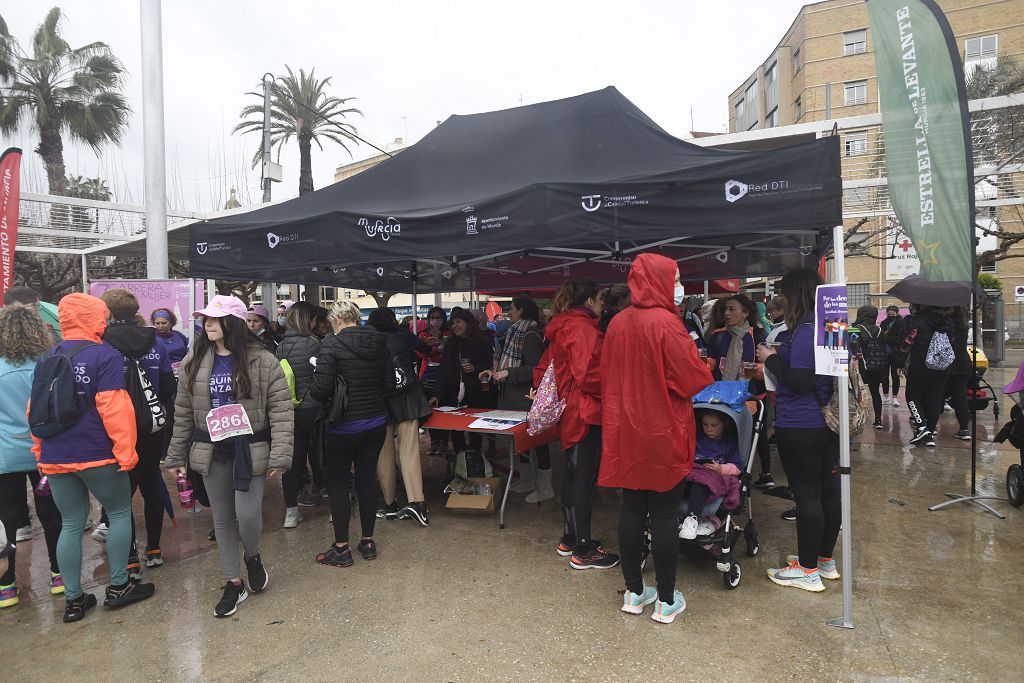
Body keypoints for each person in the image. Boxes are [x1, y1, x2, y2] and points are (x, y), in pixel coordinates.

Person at [599, 254, 713, 622]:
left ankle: (634, 593)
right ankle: (665, 599)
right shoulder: (668, 324)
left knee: (631, 510)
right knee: (664, 514)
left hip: (625, 431)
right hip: (663, 431)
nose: (679, 285)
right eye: (676, 278)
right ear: (660, 280)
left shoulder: (617, 323)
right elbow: (693, 378)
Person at [166, 295, 293, 618]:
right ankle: (232, 582)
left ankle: (252, 555)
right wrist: (176, 456)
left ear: (232, 323)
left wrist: (280, 455)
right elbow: (182, 411)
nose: (207, 324)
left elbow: (281, 409)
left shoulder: (263, 360)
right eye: (205, 319)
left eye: (214, 319)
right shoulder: (195, 358)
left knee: (248, 514)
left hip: (250, 449)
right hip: (211, 449)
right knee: (222, 518)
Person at [30, 293, 155, 622]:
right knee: (118, 514)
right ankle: (119, 587)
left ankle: (74, 600)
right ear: (97, 318)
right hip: (97, 454)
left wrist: (40, 449)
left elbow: (36, 410)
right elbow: (115, 409)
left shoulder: (47, 356)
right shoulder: (105, 355)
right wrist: (126, 452)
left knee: (71, 524)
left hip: (56, 456)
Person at [756, 268, 840, 593]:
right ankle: (822, 559)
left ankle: (807, 570)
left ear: (796, 294)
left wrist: (771, 358)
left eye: (784, 293)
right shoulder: (829, 324)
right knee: (826, 492)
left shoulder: (805, 330)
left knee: (808, 495)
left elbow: (800, 381)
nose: (780, 298)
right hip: (825, 421)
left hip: (802, 422)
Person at [542, 278, 619, 571]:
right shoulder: (583, 328)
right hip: (584, 411)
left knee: (574, 476)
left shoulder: (565, 325)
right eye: (600, 299)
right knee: (582, 479)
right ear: (589, 301)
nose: (602, 305)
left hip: (572, 409)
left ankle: (571, 537)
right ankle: (584, 549)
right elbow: (589, 374)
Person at [309, 301, 391, 567]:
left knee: (339, 484)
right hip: (376, 421)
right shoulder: (380, 342)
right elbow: (390, 384)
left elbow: (320, 389)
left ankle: (341, 548)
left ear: (336, 320)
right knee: (367, 479)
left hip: (344, 425)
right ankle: (368, 541)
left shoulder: (331, 344)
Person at [99, 289, 177, 572]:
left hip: (116, 429)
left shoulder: (101, 343)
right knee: (151, 484)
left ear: (107, 312)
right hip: (151, 427)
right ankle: (154, 549)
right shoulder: (154, 341)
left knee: (122, 493)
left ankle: (129, 556)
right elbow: (170, 385)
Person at [0, 304, 64, 607]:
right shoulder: (46, 364)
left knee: (6, 519)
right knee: (53, 514)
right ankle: (59, 572)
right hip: (45, 450)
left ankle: (6, 585)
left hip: (5, 455)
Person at [481, 296, 550, 502]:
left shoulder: (528, 335)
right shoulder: (515, 332)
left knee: (538, 442)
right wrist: (495, 372)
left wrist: (508, 373)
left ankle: (545, 487)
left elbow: (536, 369)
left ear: (521, 311)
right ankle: (527, 480)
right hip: (514, 399)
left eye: (511, 308)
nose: (508, 312)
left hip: (526, 398)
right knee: (522, 441)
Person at [367, 307, 432, 525]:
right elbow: (421, 352)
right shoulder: (404, 338)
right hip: (407, 399)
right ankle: (417, 503)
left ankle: (390, 505)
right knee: (409, 451)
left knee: (383, 453)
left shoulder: (370, 342)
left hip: (381, 401)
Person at [276, 302, 326, 527]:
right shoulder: (315, 344)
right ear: (309, 320)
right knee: (323, 455)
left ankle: (291, 513)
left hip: (291, 409)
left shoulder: (281, 346)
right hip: (315, 409)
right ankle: (332, 502)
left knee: (294, 461)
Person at [429, 308, 494, 464]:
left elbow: (490, 364)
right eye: (453, 323)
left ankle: (474, 460)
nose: (455, 325)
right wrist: (436, 394)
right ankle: (461, 460)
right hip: (456, 391)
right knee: (456, 428)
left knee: (475, 429)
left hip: (478, 390)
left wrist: (476, 367)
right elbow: (445, 369)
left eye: (459, 322)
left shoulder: (483, 340)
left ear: (468, 322)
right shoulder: (452, 343)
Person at [679, 410, 743, 539]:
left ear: (724, 425)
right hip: (692, 476)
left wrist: (720, 469)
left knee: (701, 482)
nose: (709, 429)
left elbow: (737, 467)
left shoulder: (728, 444)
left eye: (714, 426)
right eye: (705, 425)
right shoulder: (698, 440)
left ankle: (692, 518)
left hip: (709, 481)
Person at [898, 305, 954, 447]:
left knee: (912, 396)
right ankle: (929, 432)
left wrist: (900, 362)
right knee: (934, 398)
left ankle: (922, 427)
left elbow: (906, 344)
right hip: (942, 367)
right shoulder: (948, 323)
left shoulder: (917, 322)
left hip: (920, 366)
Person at [755, 295, 788, 491]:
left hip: (780, 390)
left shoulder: (788, 332)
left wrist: (768, 359)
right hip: (776, 388)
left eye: (774, 311)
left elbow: (787, 369)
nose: (771, 314)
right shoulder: (780, 329)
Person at [706, 294, 765, 381]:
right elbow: (711, 365)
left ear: (745, 313)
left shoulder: (756, 338)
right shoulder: (718, 336)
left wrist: (759, 370)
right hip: (722, 390)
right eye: (726, 309)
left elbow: (765, 369)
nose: (727, 313)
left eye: (732, 309)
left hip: (748, 392)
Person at [418, 307, 451, 456]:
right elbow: (419, 352)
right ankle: (434, 442)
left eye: (438, 317)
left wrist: (436, 348)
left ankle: (443, 443)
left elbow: (450, 350)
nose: (435, 320)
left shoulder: (449, 333)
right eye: (432, 317)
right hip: (426, 376)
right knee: (429, 411)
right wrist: (437, 349)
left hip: (444, 376)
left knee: (443, 410)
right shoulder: (423, 334)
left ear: (443, 319)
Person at [852, 305, 888, 430]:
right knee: (875, 393)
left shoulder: (855, 329)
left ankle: (857, 420)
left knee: (857, 394)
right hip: (877, 366)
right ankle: (878, 420)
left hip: (861, 366)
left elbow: (854, 349)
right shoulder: (880, 330)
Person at [944, 306, 972, 441]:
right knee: (960, 397)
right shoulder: (964, 324)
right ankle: (964, 428)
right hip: (963, 363)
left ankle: (931, 427)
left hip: (948, 363)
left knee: (938, 394)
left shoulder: (946, 323)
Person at [880, 305, 904, 407]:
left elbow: (901, 337)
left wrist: (889, 338)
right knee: (884, 375)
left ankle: (895, 397)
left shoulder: (901, 323)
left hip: (896, 353)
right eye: (889, 314)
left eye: (893, 314)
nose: (890, 316)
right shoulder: (883, 323)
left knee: (895, 376)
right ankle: (885, 397)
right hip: (885, 353)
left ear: (897, 313)